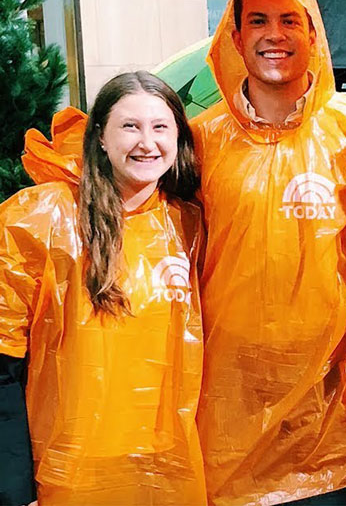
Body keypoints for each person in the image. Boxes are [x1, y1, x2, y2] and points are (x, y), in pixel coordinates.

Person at [190, 0, 346, 505]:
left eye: (290, 19)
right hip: (227, 426)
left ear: (313, 32)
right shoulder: (199, 142)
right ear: (235, 37)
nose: (274, 35)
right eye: (258, 21)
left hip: (330, 430)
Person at [0, 71, 205, 505]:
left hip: (166, 468)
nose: (146, 142)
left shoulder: (188, 223)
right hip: (68, 474)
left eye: (160, 127)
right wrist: (14, 487)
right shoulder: (42, 216)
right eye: (130, 126)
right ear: (100, 137)